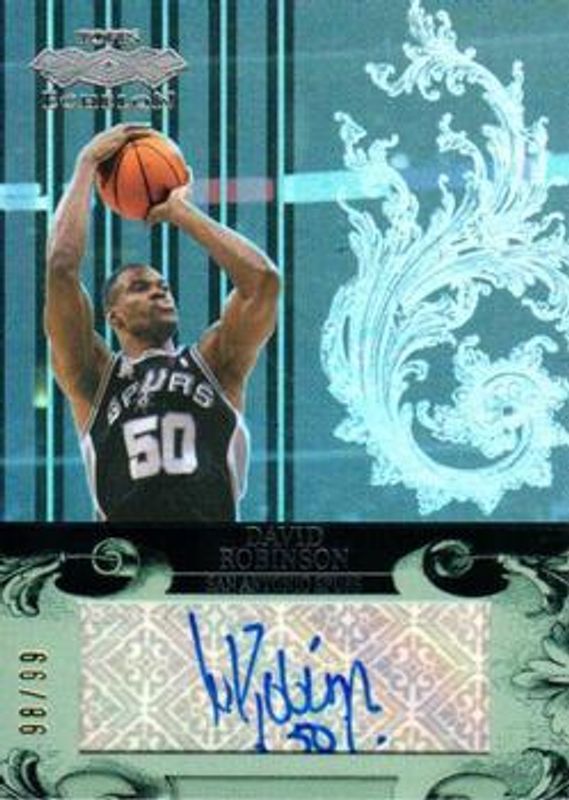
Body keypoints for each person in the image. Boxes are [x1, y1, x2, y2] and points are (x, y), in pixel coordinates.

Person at [44, 123, 280, 521]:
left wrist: (181, 213)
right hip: (130, 554)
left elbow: (263, 283)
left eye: (163, 286)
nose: (159, 292)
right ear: (113, 316)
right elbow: (60, 268)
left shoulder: (214, 362)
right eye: (140, 287)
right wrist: (86, 164)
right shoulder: (95, 378)